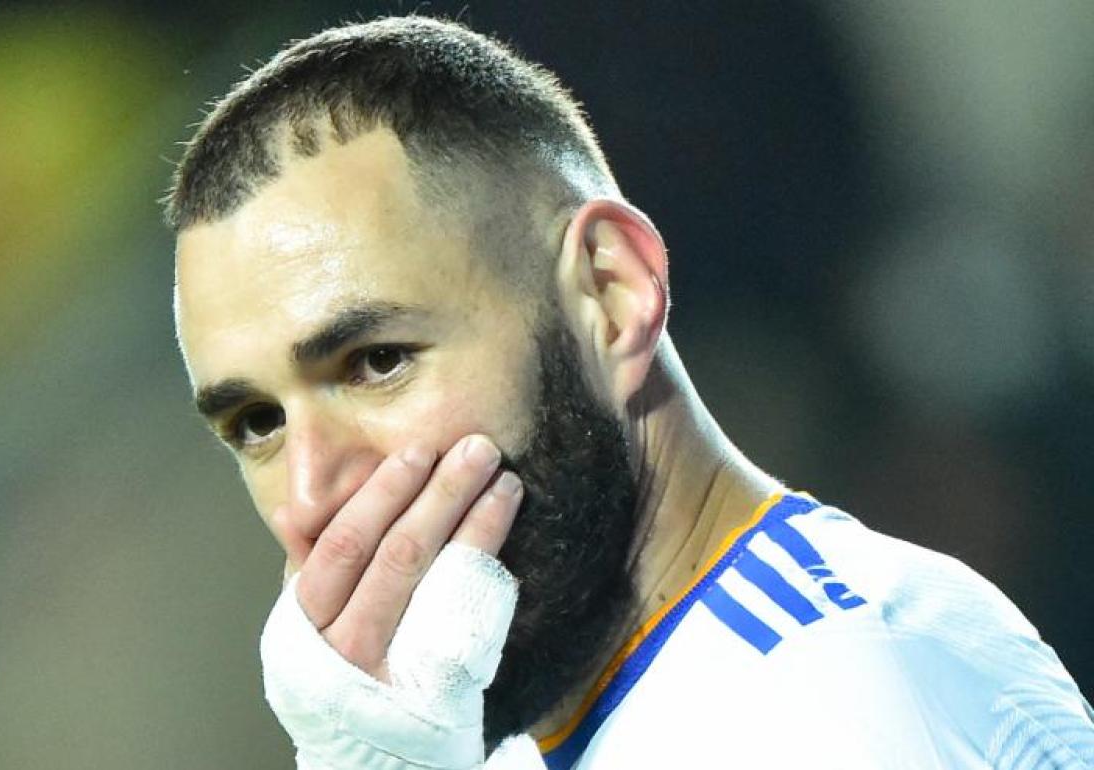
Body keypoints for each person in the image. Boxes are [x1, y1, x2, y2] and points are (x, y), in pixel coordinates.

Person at [164, 15, 1094, 769]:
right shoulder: (507, 739)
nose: (309, 498)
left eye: (377, 362)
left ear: (612, 297)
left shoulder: (836, 707)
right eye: (256, 422)